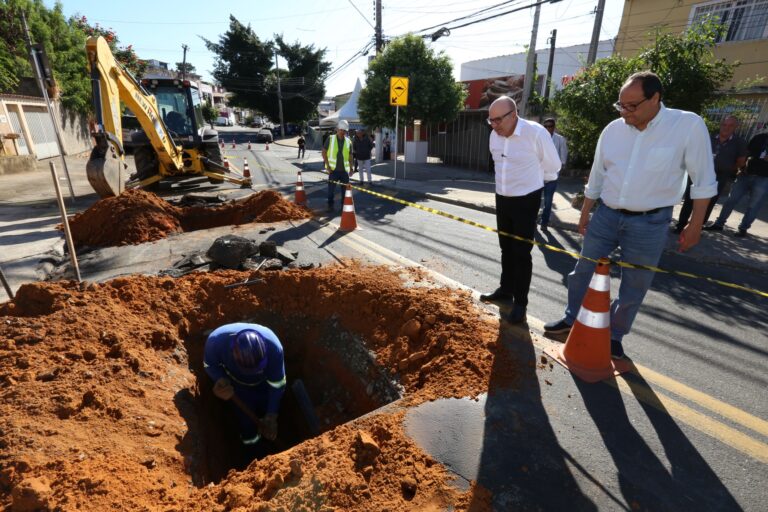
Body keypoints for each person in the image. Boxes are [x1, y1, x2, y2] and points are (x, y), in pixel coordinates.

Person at [544, 71, 717, 359]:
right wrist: (585, 213)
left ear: (655, 99)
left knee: (635, 283)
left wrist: (695, 225)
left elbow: (704, 182)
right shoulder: (613, 129)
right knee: (582, 271)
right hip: (606, 216)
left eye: (632, 106)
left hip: (651, 222)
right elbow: (597, 175)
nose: (625, 112)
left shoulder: (686, 126)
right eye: (621, 105)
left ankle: (613, 335)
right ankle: (572, 318)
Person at [480, 96, 561, 324]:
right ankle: (506, 290)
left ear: (513, 115)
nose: (494, 125)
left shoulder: (535, 133)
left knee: (521, 253)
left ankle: (521, 302)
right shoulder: (494, 135)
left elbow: (553, 167)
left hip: (526, 199)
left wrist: (531, 183)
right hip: (502, 198)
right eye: (491, 120)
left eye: (498, 120)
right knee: (505, 247)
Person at [204, 323, 286, 455]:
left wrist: (272, 415)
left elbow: (277, 385)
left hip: (264, 388)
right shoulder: (217, 341)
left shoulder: (274, 347)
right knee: (247, 425)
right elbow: (210, 365)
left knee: (268, 411)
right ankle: (254, 455)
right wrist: (221, 381)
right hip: (238, 390)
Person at [675, 116, 747, 232]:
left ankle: (697, 227)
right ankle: (680, 225)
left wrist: (727, 168)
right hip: (699, 172)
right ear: (720, 125)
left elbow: (741, 161)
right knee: (690, 199)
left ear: (736, 127)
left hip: (720, 176)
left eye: (730, 126)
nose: (726, 128)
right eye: (724, 125)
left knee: (709, 202)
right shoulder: (708, 137)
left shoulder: (739, 142)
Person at [704, 130, 768, 237]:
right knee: (731, 200)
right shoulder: (759, 137)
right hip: (746, 174)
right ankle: (719, 224)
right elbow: (746, 152)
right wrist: (742, 167)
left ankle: (743, 228)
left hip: (763, 178)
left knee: (754, 205)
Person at [540, 118, 568, 229]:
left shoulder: (560, 140)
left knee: (548, 201)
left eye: (550, 126)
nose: (547, 128)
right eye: (545, 126)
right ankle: (532, 222)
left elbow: (563, 156)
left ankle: (544, 222)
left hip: (552, 176)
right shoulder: (540, 138)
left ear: (554, 127)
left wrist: (557, 170)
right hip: (539, 175)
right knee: (536, 200)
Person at [322, 120, 355, 212]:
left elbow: (350, 156)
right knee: (330, 191)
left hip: (344, 171)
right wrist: (327, 166)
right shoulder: (330, 139)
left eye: (344, 130)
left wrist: (351, 168)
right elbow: (324, 152)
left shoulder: (349, 142)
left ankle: (343, 207)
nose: (342, 132)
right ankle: (330, 205)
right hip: (333, 170)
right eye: (341, 130)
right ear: (337, 129)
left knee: (345, 191)